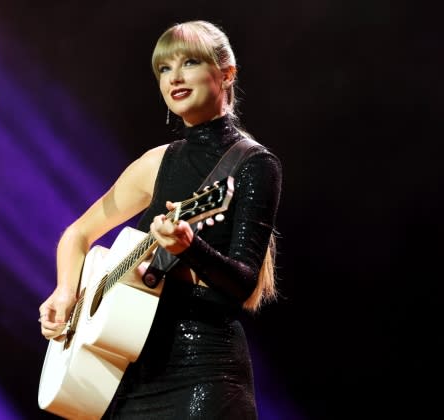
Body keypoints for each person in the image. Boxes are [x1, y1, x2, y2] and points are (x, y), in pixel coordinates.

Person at [39, 20, 282, 419]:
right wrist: (65, 294)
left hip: (202, 371)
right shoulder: (156, 162)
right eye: (164, 69)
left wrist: (190, 248)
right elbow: (78, 234)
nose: (175, 77)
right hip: (126, 376)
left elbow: (243, 281)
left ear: (226, 73)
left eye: (189, 62)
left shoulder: (254, 164)